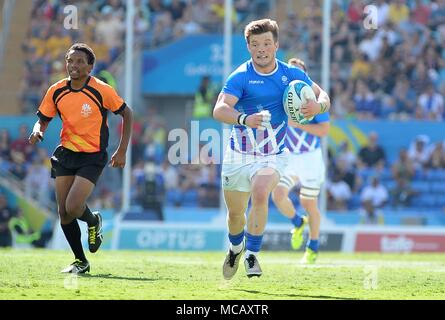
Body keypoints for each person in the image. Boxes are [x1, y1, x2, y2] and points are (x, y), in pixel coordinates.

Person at [214, 19, 330, 279]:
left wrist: (317, 107)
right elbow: (219, 109)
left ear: (276, 45)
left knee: (261, 191)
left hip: (273, 154)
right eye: (255, 44)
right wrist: (245, 119)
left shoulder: (291, 74)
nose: (261, 49)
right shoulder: (241, 76)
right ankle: (235, 247)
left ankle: (252, 254)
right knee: (235, 215)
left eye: (267, 43)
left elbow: (324, 97)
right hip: (238, 154)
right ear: (248, 47)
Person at [28, 43, 133, 274]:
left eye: (79, 62)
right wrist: (38, 130)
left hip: (93, 155)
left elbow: (127, 113)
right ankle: (80, 261)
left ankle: (93, 221)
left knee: (74, 206)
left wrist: (122, 150)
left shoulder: (101, 90)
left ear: (90, 67)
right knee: (63, 212)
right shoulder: (56, 90)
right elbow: (43, 118)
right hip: (66, 153)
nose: (73, 66)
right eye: (70, 61)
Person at [271, 57, 330, 264]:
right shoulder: (279, 97)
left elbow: (324, 130)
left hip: (310, 157)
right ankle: (297, 223)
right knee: (277, 195)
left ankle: (313, 246)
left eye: (298, 71)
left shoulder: (311, 98)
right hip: (289, 156)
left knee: (308, 202)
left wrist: (299, 125)